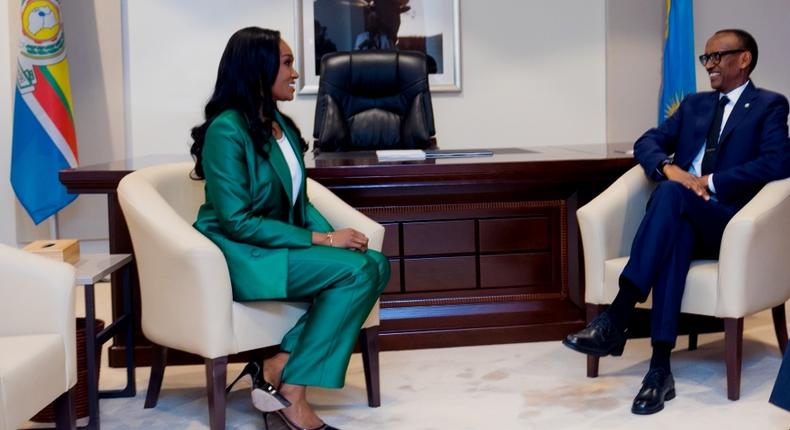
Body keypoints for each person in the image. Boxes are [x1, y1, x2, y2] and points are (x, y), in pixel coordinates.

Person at [563, 28, 790, 415]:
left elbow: (777, 161)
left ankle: (618, 314)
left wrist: (707, 182)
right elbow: (646, 142)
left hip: (728, 223)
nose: (710, 65)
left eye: (718, 57)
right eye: (706, 59)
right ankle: (659, 370)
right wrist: (671, 169)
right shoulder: (694, 105)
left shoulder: (769, 105)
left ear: (745, 59)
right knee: (675, 226)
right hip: (683, 214)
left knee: (671, 197)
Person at [190, 27, 390, 430]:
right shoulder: (226, 130)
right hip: (243, 254)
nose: (295, 72)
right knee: (358, 271)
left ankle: (279, 362)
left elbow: (301, 203)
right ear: (257, 69)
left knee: (375, 264)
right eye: (286, 63)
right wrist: (324, 239)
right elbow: (237, 220)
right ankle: (293, 393)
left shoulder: (277, 123)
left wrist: (336, 240)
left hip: (278, 245)